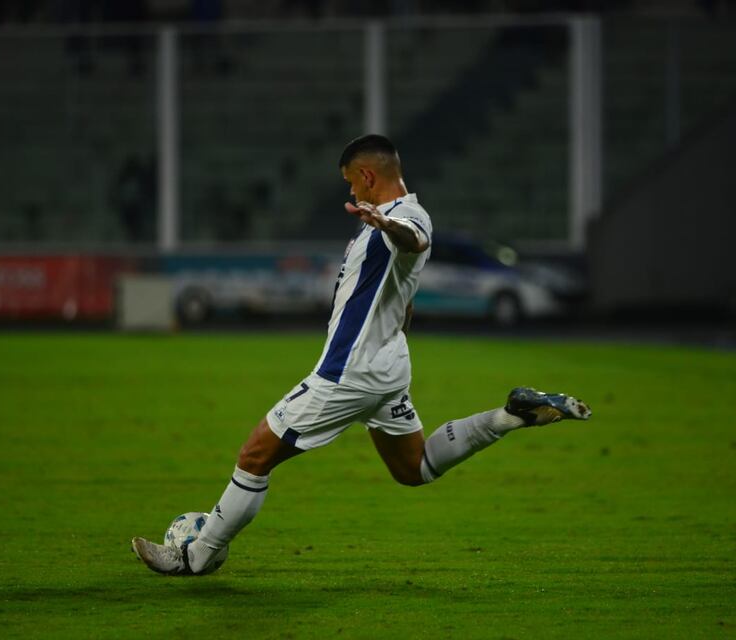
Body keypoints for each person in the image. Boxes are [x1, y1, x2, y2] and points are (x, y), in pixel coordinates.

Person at [131, 134, 592, 576]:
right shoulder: (380, 224)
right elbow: (402, 297)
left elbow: (416, 238)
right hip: (385, 370)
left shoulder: (406, 215)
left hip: (348, 373)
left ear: (369, 176)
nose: (350, 190)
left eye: (352, 181)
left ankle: (196, 555)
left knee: (255, 455)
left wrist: (385, 222)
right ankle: (509, 416)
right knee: (415, 468)